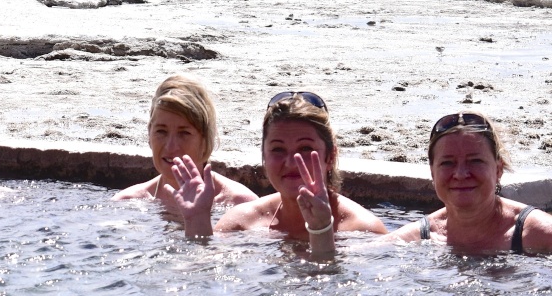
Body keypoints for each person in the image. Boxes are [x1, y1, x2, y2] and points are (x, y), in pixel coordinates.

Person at [386, 111, 552, 268]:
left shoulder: (533, 231)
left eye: (475, 161)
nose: (461, 174)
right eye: (447, 163)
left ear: (498, 169)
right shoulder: (419, 237)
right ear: (432, 172)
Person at [171, 90, 387, 255]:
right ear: (264, 157)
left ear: (330, 157)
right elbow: (203, 283)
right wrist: (197, 221)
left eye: (305, 149)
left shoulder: (363, 231)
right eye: (278, 149)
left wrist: (321, 231)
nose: (291, 162)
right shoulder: (241, 223)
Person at [115, 74, 257, 205]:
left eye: (184, 133)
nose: (171, 146)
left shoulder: (241, 205)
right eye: (161, 131)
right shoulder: (127, 204)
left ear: (205, 139)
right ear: (149, 135)